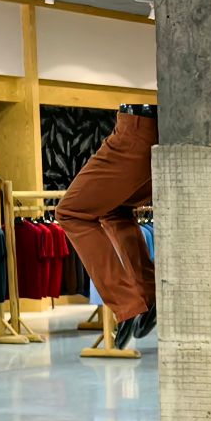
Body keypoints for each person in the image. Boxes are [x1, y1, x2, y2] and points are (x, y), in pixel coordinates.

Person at [60, 102, 157, 347]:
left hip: (135, 131)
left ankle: (127, 303)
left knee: (70, 212)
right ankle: (149, 294)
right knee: (115, 210)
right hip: (159, 134)